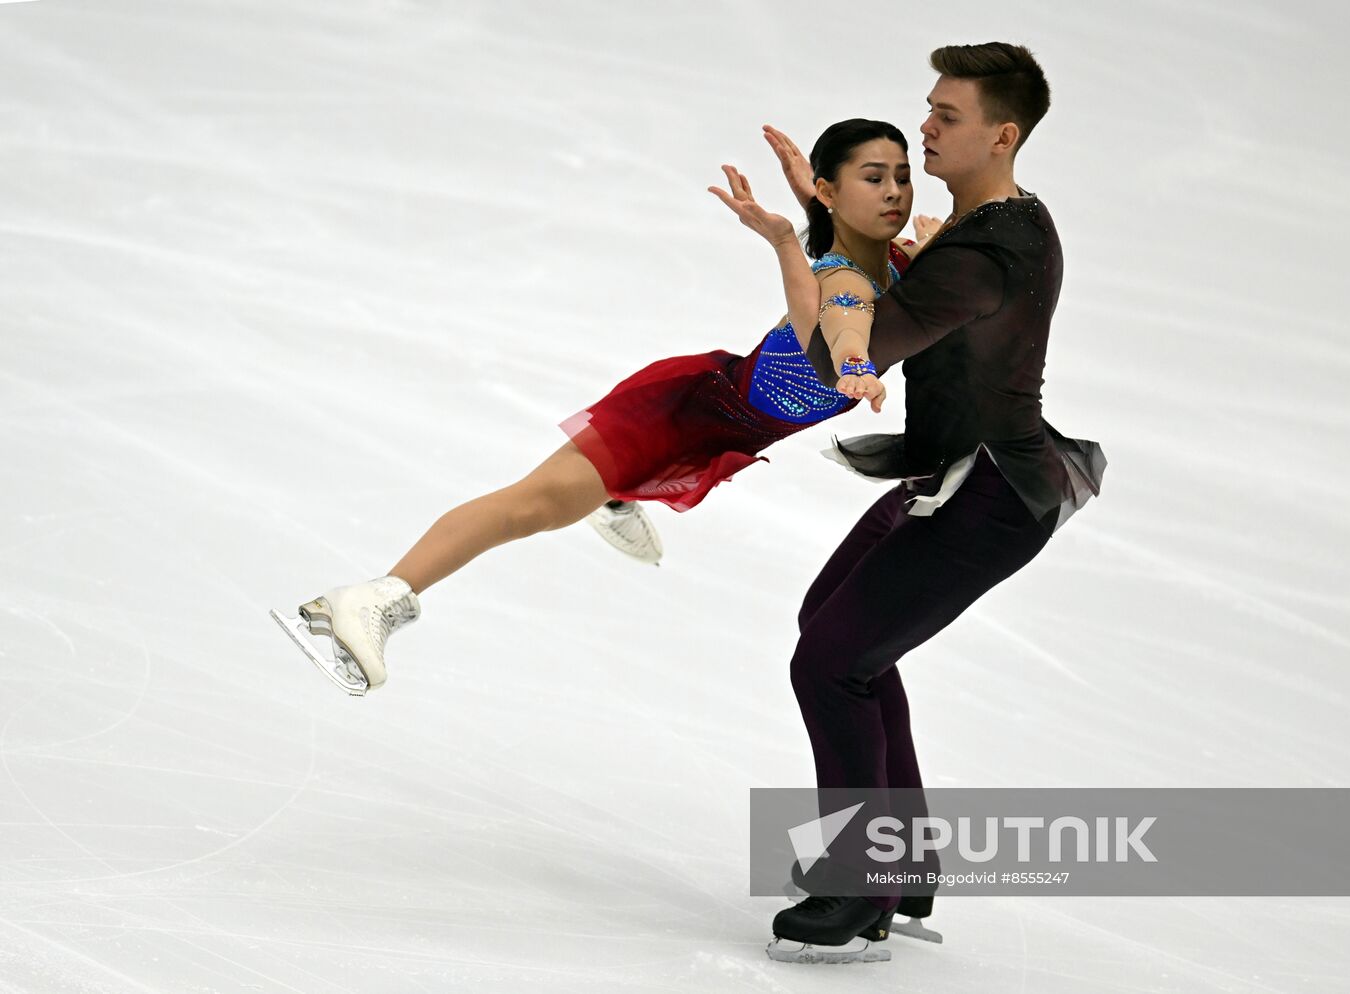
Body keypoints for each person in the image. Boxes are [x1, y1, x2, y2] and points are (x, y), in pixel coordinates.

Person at [271, 119, 938, 697]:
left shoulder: (882, 260)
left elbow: (847, 241)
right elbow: (825, 318)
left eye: (902, 177)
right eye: (874, 178)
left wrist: (815, 199)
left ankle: (616, 493)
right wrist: (794, 255)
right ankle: (373, 598)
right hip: (687, 414)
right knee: (531, 505)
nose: (897, 194)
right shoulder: (837, 277)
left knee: (553, 500)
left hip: (720, 428)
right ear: (831, 192)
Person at [763, 42, 1107, 954]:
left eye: (944, 117)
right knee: (833, 632)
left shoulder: (988, 249)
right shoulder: (985, 225)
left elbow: (858, 350)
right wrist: (827, 205)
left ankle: (864, 881)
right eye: (929, 109)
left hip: (989, 496)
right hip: (954, 477)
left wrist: (807, 237)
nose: (924, 128)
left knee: (832, 661)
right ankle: (902, 860)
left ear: (1002, 135)